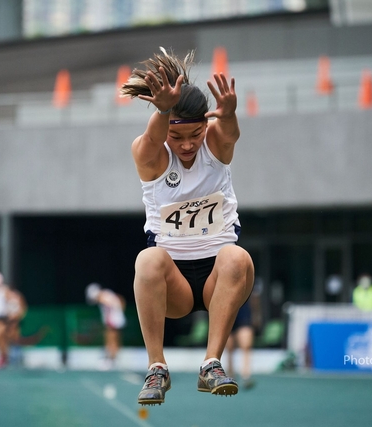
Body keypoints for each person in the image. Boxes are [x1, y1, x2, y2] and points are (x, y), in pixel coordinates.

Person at [120, 47, 254, 405]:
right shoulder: (150, 155)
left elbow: (228, 133)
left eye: (194, 134)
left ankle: (211, 364)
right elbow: (152, 140)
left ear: (205, 126)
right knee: (147, 260)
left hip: (218, 278)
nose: (188, 144)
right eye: (177, 137)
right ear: (165, 129)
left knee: (237, 257)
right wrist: (164, 110)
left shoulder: (214, 146)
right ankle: (156, 367)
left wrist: (229, 115)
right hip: (173, 284)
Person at [226, 279, 262, 390]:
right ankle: (231, 374)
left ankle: (246, 375)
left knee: (246, 346)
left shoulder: (250, 277)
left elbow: (255, 298)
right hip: (227, 315)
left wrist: (256, 315)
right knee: (230, 348)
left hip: (244, 316)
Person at [86, 283, 126, 370]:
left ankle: (111, 360)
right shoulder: (108, 294)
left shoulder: (104, 297)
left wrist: (109, 321)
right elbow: (120, 301)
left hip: (113, 322)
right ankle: (112, 359)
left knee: (111, 340)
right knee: (113, 340)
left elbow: (109, 308)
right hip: (115, 320)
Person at [5, 285, 28, 364]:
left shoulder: (18, 297)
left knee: (16, 338)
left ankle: (18, 357)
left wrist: (16, 317)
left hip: (16, 321)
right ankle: (9, 358)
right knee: (7, 338)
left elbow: (23, 309)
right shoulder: (6, 297)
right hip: (7, 322)